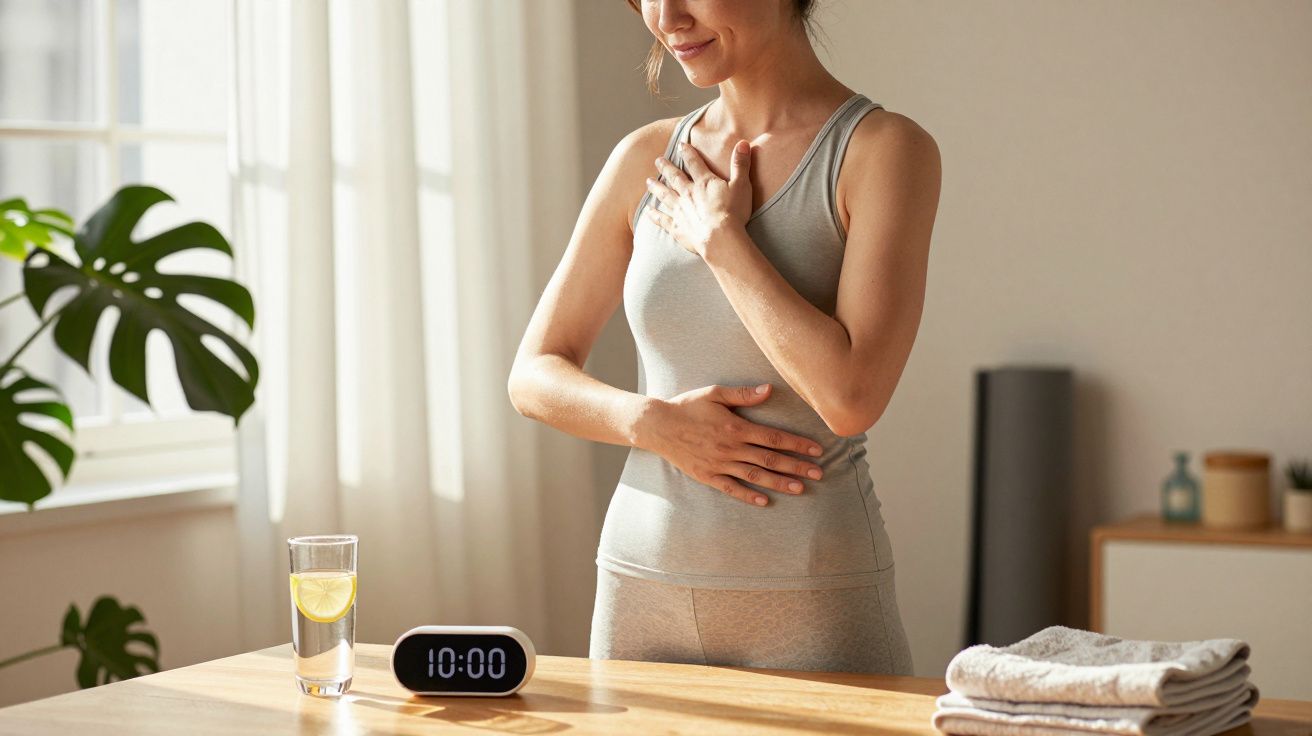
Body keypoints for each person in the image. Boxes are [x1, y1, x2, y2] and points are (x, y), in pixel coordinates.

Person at [508, 0, 940, 675]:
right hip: (640, 590)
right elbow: (534, 373)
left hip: (813, 599)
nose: (667, 16)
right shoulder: (646, 159)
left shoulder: (882, 150)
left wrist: (723, 243)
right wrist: (650, 421)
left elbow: (851, 397)